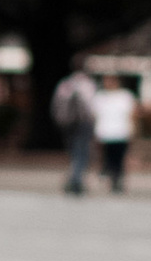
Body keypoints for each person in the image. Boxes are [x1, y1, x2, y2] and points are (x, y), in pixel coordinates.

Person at [54, 63, 99, 197]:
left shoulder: (65, 84)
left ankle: (72, 177)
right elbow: (92, 106)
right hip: (83, 123)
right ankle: (76, 180)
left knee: (73, 151)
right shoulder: (88, 84)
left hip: (67, 124)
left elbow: (57, 106)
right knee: (82, 152)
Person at [91, 74, 136, 195]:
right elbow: (95, 116)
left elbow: (132, 115)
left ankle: (117, 181)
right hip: (105, 133)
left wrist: (132, 132)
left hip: (121, 133)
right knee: (107, 159)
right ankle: (109, 179)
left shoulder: (125, 96)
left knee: (119, 160)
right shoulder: (100, 97)